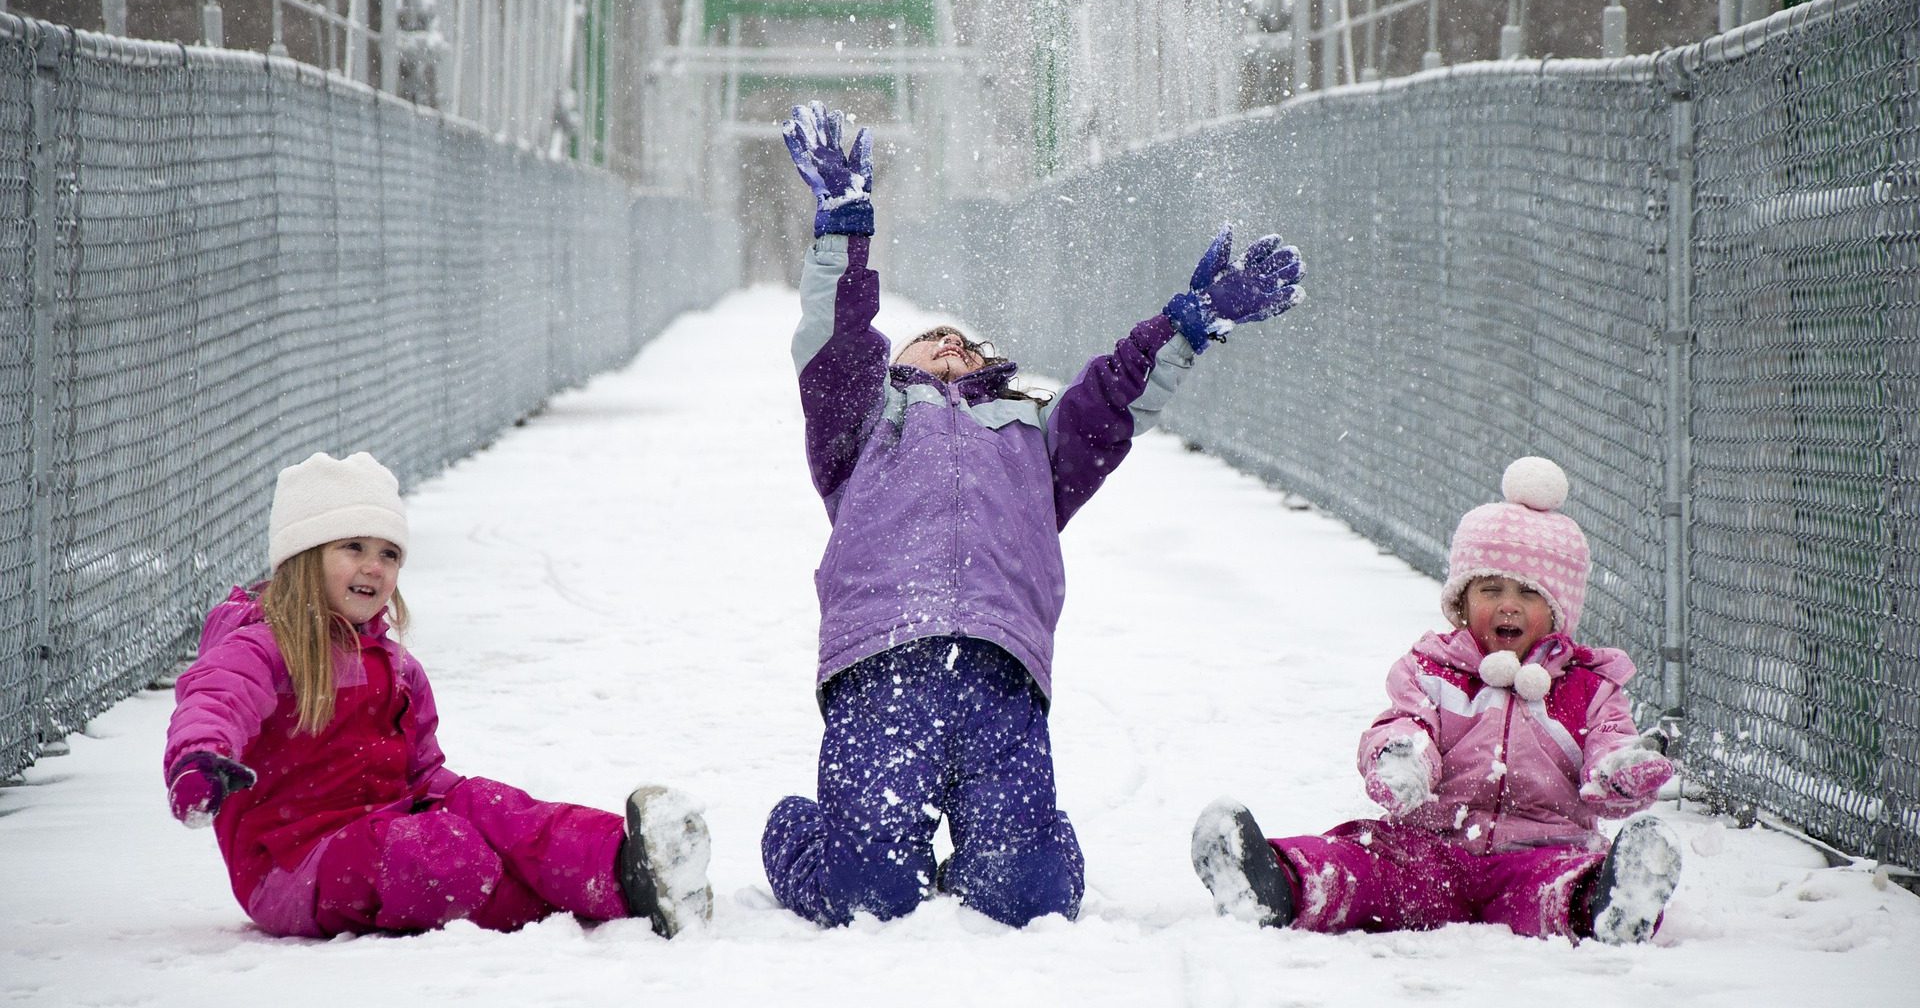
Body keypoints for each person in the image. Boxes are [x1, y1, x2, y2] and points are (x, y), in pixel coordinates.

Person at [761, 101, 1305, 928]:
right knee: (865, 892)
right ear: (895, 364)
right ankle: (802, 833)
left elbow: (1114, 400)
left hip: (1001, 671)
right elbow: (837, 342)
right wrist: (844, 227)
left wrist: (1186, 327)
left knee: (1027, 897)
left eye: (968, 344)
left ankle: (1011, 853)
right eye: (931, 340)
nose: (952, 346)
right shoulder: (863, 425)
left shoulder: (1033, 437)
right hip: (882, 665)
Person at [162, 451, 713, 938]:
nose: (374, 567)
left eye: (389, 554)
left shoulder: (397, 668)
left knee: (495, 809)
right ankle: (585, 901)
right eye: (353, 547)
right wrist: (199, 761)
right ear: (304, 556)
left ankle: (627, 866)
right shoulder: (262, 646)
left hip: (384, 824)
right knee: (440, 853)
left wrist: (479, 810)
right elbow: (215, 699)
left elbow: (421, 774)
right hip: (295, 865)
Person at [1190, 456, 1683, 945]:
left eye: (1529, 594)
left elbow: (1609, 744)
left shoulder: (1589, 688)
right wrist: (1400, 757)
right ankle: (1274, 883)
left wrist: (1621, 772)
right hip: (1429, 849)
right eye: (1490, 589)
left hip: (1539, 850)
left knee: (1556, 887)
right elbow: (1405, 722)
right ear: (1462, 602)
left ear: (1558, 612)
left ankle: (1610, 902)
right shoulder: (1433, 671)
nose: (1508, 605)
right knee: (1364, 864)